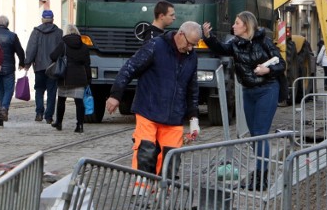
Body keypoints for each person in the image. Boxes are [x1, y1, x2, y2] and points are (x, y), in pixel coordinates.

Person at [106, 21, 201, 183]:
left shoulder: (191, 57)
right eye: (190, 44)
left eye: (195, 45)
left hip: (174, 116)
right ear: (180, 34)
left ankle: (163, 192)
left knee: (171, 158)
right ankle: (141, 188)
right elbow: (129, 68)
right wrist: (115, 95)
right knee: (146, 151)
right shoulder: (155, 46)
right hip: (148, 110)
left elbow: (192, 88)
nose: (191, 48)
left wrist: (194, 118)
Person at [202, 11, 286, 191]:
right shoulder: (235, 44)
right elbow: (220, 49)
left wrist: (267, 70)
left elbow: (281, 64)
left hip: (267, 89)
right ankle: (258, 174)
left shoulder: (264, 41)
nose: (233, 26)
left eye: (237, 23)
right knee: (254, 134)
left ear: (246, 25)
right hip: (249, 92)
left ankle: (261, 178)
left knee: (261, 133)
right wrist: (208, 37)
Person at [50, 25, 91, 133]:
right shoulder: (84, 46)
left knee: (61, 100)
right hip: (79, 76)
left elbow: (53, 56)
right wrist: (88, 79)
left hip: (65, 76)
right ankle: (80, 125)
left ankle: (59, 122)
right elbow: (87, 64)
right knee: (79, 102)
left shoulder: (63, 44)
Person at [24, 10, 63, 125]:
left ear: (42, 19)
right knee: (52, 92)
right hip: (53, 67)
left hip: (40, 66)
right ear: (53, 19)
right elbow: (61, 50)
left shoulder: (36, 32)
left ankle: (39, 113)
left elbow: (31, 48)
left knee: (39, 90)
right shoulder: (59, 32)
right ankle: (49, 116)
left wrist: (27, 63)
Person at [0, 15, 25, 121]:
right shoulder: (12, 36)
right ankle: (4, 108)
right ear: (7, 24)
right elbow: (20, 51)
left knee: (0, 89)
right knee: (9, 89)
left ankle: (2, 109)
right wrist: (22, 63)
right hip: (9, 67)